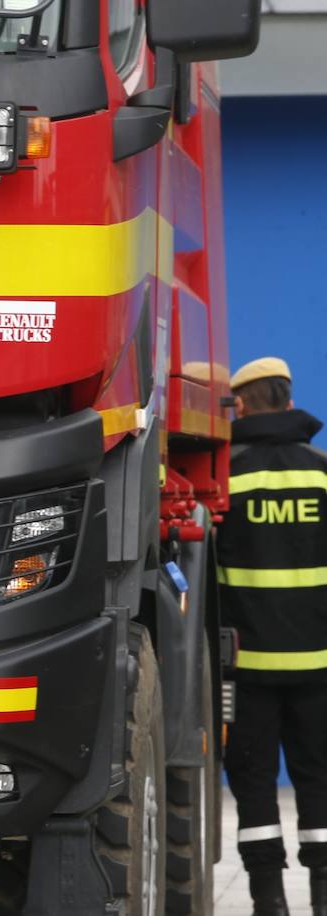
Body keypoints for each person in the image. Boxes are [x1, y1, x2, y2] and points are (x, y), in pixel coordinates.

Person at [217, 356, 327, 916]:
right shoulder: (322, 472)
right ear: (287, 400)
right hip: (320, 669)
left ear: (241, 405)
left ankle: (269, 902)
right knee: (320, 777)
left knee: (254, 780)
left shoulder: (226, 478)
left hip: (249, 670)